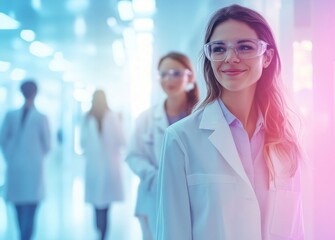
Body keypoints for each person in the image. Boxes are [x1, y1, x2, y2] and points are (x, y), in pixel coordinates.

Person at [156, 4, 304, 240]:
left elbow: (296, 231)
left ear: (267, 57)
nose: (230, 58)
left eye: (244, 47)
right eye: (219, 48)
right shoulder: (181, 139)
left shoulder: (283, 142)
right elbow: (173, 233)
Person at [126, 52, 199, 240]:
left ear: (189, 76)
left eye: (176, 73)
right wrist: (154, 177)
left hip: (194, 199)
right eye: (164, 74)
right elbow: (133, 155)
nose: (169, 79)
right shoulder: (146, 118)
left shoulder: (202, 116)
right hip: (153, 196)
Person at [0, 79, 51, 240]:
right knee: (25, 210)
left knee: (23, 210)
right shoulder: (14, 115)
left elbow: (3, 140)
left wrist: (11, 155)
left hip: (25, 168)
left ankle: (24, 237)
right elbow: (47, 145)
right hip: (23, 169)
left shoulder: (39, 118)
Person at [80, 89, 126, 240]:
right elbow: (122, 141)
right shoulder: (112, 117)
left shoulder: (88, 118)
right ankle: (102, 233)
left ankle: (100, 231)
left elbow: (82, 143)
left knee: (97, 203)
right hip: (107, 166)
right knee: (105, 205)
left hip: (99, 166)